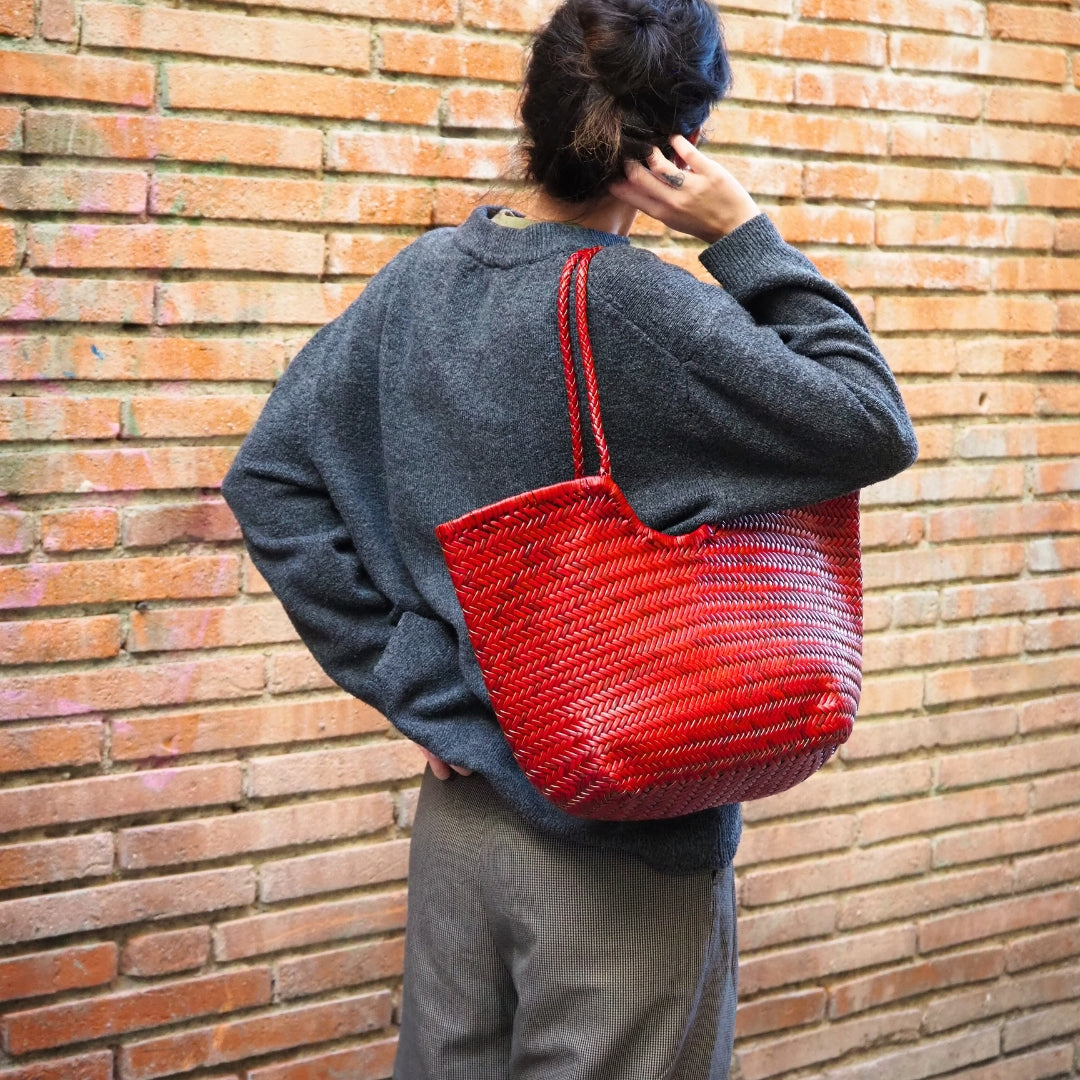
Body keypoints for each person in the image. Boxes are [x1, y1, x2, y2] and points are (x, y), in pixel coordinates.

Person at [220, 0, 919, 1075]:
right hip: (624, 833)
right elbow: (871, 421)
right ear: (683, 139)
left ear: (533, 111)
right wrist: (742, 236)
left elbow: (271, 482)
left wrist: (424, 689)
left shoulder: (422, 282)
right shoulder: (643, 308)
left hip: (463, 821)